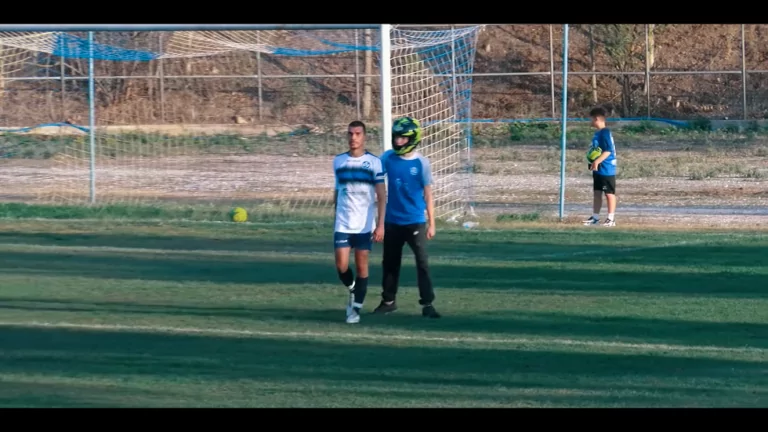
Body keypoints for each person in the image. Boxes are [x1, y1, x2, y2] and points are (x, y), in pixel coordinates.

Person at [374, 116, 440, 318]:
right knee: (390, 263)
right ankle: (388, 301)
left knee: (422, 262)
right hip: (392, 221)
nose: (398, 141)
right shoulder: (387, 158)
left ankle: (427, 304)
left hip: (415, 221)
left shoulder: (422, 163)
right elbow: (376, 180)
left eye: (402, 138)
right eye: (396, 137)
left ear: (412, 139)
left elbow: (428, 194)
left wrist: (432, 223)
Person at [333, 120, 386, 324]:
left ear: (364, 137)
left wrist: (380, 225)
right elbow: (337, 190)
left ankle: (355, 310)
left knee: (362, 267)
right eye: (350, 134)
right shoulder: (338, 161)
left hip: (364, 225)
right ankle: (353, 288)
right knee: (341, 266)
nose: (353, 137)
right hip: (343, 223)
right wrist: (336, 213)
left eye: (357, 134)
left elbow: (381, 196)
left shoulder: (374, 162)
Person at [583, 106, 618, 227]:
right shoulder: (597, 133)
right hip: (598, 168)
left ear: (597, 118)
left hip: (607, 168)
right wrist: (592, 160)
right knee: (597, 193)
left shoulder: (605, 132)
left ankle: (611, 219)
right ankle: (595, 217)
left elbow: (608, 150)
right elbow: (596, 150)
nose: (590, 121)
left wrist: (597, 161)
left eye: (591, 119)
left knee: (609, 193)